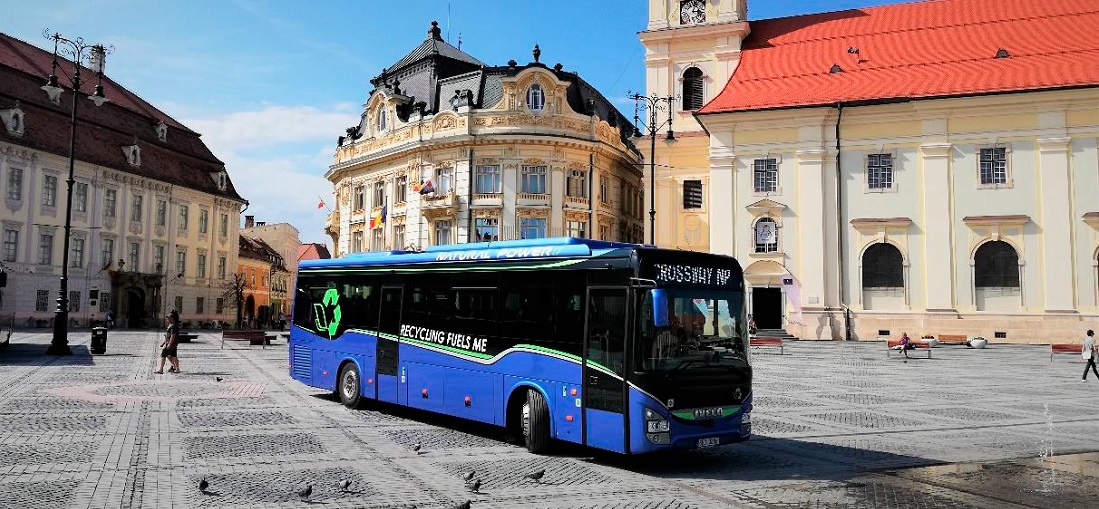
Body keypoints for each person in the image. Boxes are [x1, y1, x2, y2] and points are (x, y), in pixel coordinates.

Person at [155, 310, 181, 374]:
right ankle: (177, 369)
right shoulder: (172, 325)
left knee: (163, 355)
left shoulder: (173, 326)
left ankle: (161, 369)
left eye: (168, 318)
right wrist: (163, 343)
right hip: (173, 344)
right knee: (174, 356)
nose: (167, 319)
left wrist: (169, 344)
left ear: (173, 319)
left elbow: (173, 335)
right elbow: (168, 336)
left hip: (170, 344)